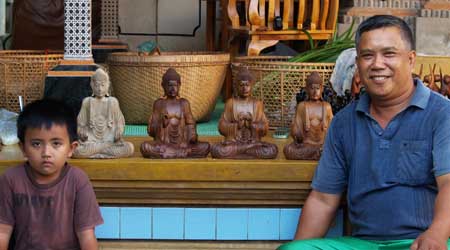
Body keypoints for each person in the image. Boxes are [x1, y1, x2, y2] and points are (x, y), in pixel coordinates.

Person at [278, 15, 450, 250]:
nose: (377, 64)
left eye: (389, 54)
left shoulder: (442, 113)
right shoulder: (343, 122)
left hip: (420, 243)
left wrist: (436, 235)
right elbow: (323, 200)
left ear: (410, 60)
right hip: (362, 245)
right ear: (358, 63)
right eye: (368, 56)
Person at [0, 99, 103, 250]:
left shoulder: (77, 181)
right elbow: (2, 232)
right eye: (36, 144)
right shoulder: (11, 180)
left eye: (56, 143)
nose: (46, 153)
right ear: (23, 148)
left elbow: (86, 235)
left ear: (71, 148)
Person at [140, 68, 210, 158]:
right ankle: (177, 152)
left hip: (182, 144)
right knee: (145, 147)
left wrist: (191, 137)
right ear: (163, 86)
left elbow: (190, 124)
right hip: (164, 144)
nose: (173, 89)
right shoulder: (159, 104)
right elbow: (152, 131)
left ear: (179, 86)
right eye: (169, 86)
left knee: (206, 147)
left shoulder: (184, 103)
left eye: (175, 85)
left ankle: (172, 153)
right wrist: (162, 123)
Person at [211, 68, 278, 159]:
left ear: (252, 86)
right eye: (241, 85)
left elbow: (265, 127)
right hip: (234, 143)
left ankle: (245, 149)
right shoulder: (231, 103)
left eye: (247, 85)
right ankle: (246, 150)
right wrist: (237, 125)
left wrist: (252, 125)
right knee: (218, 150)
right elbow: (221, 126)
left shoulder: (257, 104)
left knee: (271, 150)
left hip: (253, 143)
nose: (244, 88)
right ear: (236, 87)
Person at [73, 68, 134, 159]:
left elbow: (120, 123)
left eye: (102, 85)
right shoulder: (87, 102)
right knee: (76, 151)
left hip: (109, 141)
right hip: (92, 142)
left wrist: (119, 131)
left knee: (130, 148)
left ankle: (98, 152)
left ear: (108, 85)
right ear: (92, 85)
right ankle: (104, 152)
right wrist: (82, 132)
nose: (100, 89)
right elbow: (81, 125)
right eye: (97, 85)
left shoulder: (113, 102)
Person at [284, 72, 333, 160]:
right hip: (306, 145)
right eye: (312, 88)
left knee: (333, 150)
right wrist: (295, 131)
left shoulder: (327, 106)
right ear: (306, 89)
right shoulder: (302, 106)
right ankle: (319, 154)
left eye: (317, 88)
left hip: (323, 145)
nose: (315, 92)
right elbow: (296, 128)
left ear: (322, 89)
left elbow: (333, 129)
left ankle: (321, 152)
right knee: (288, 150)